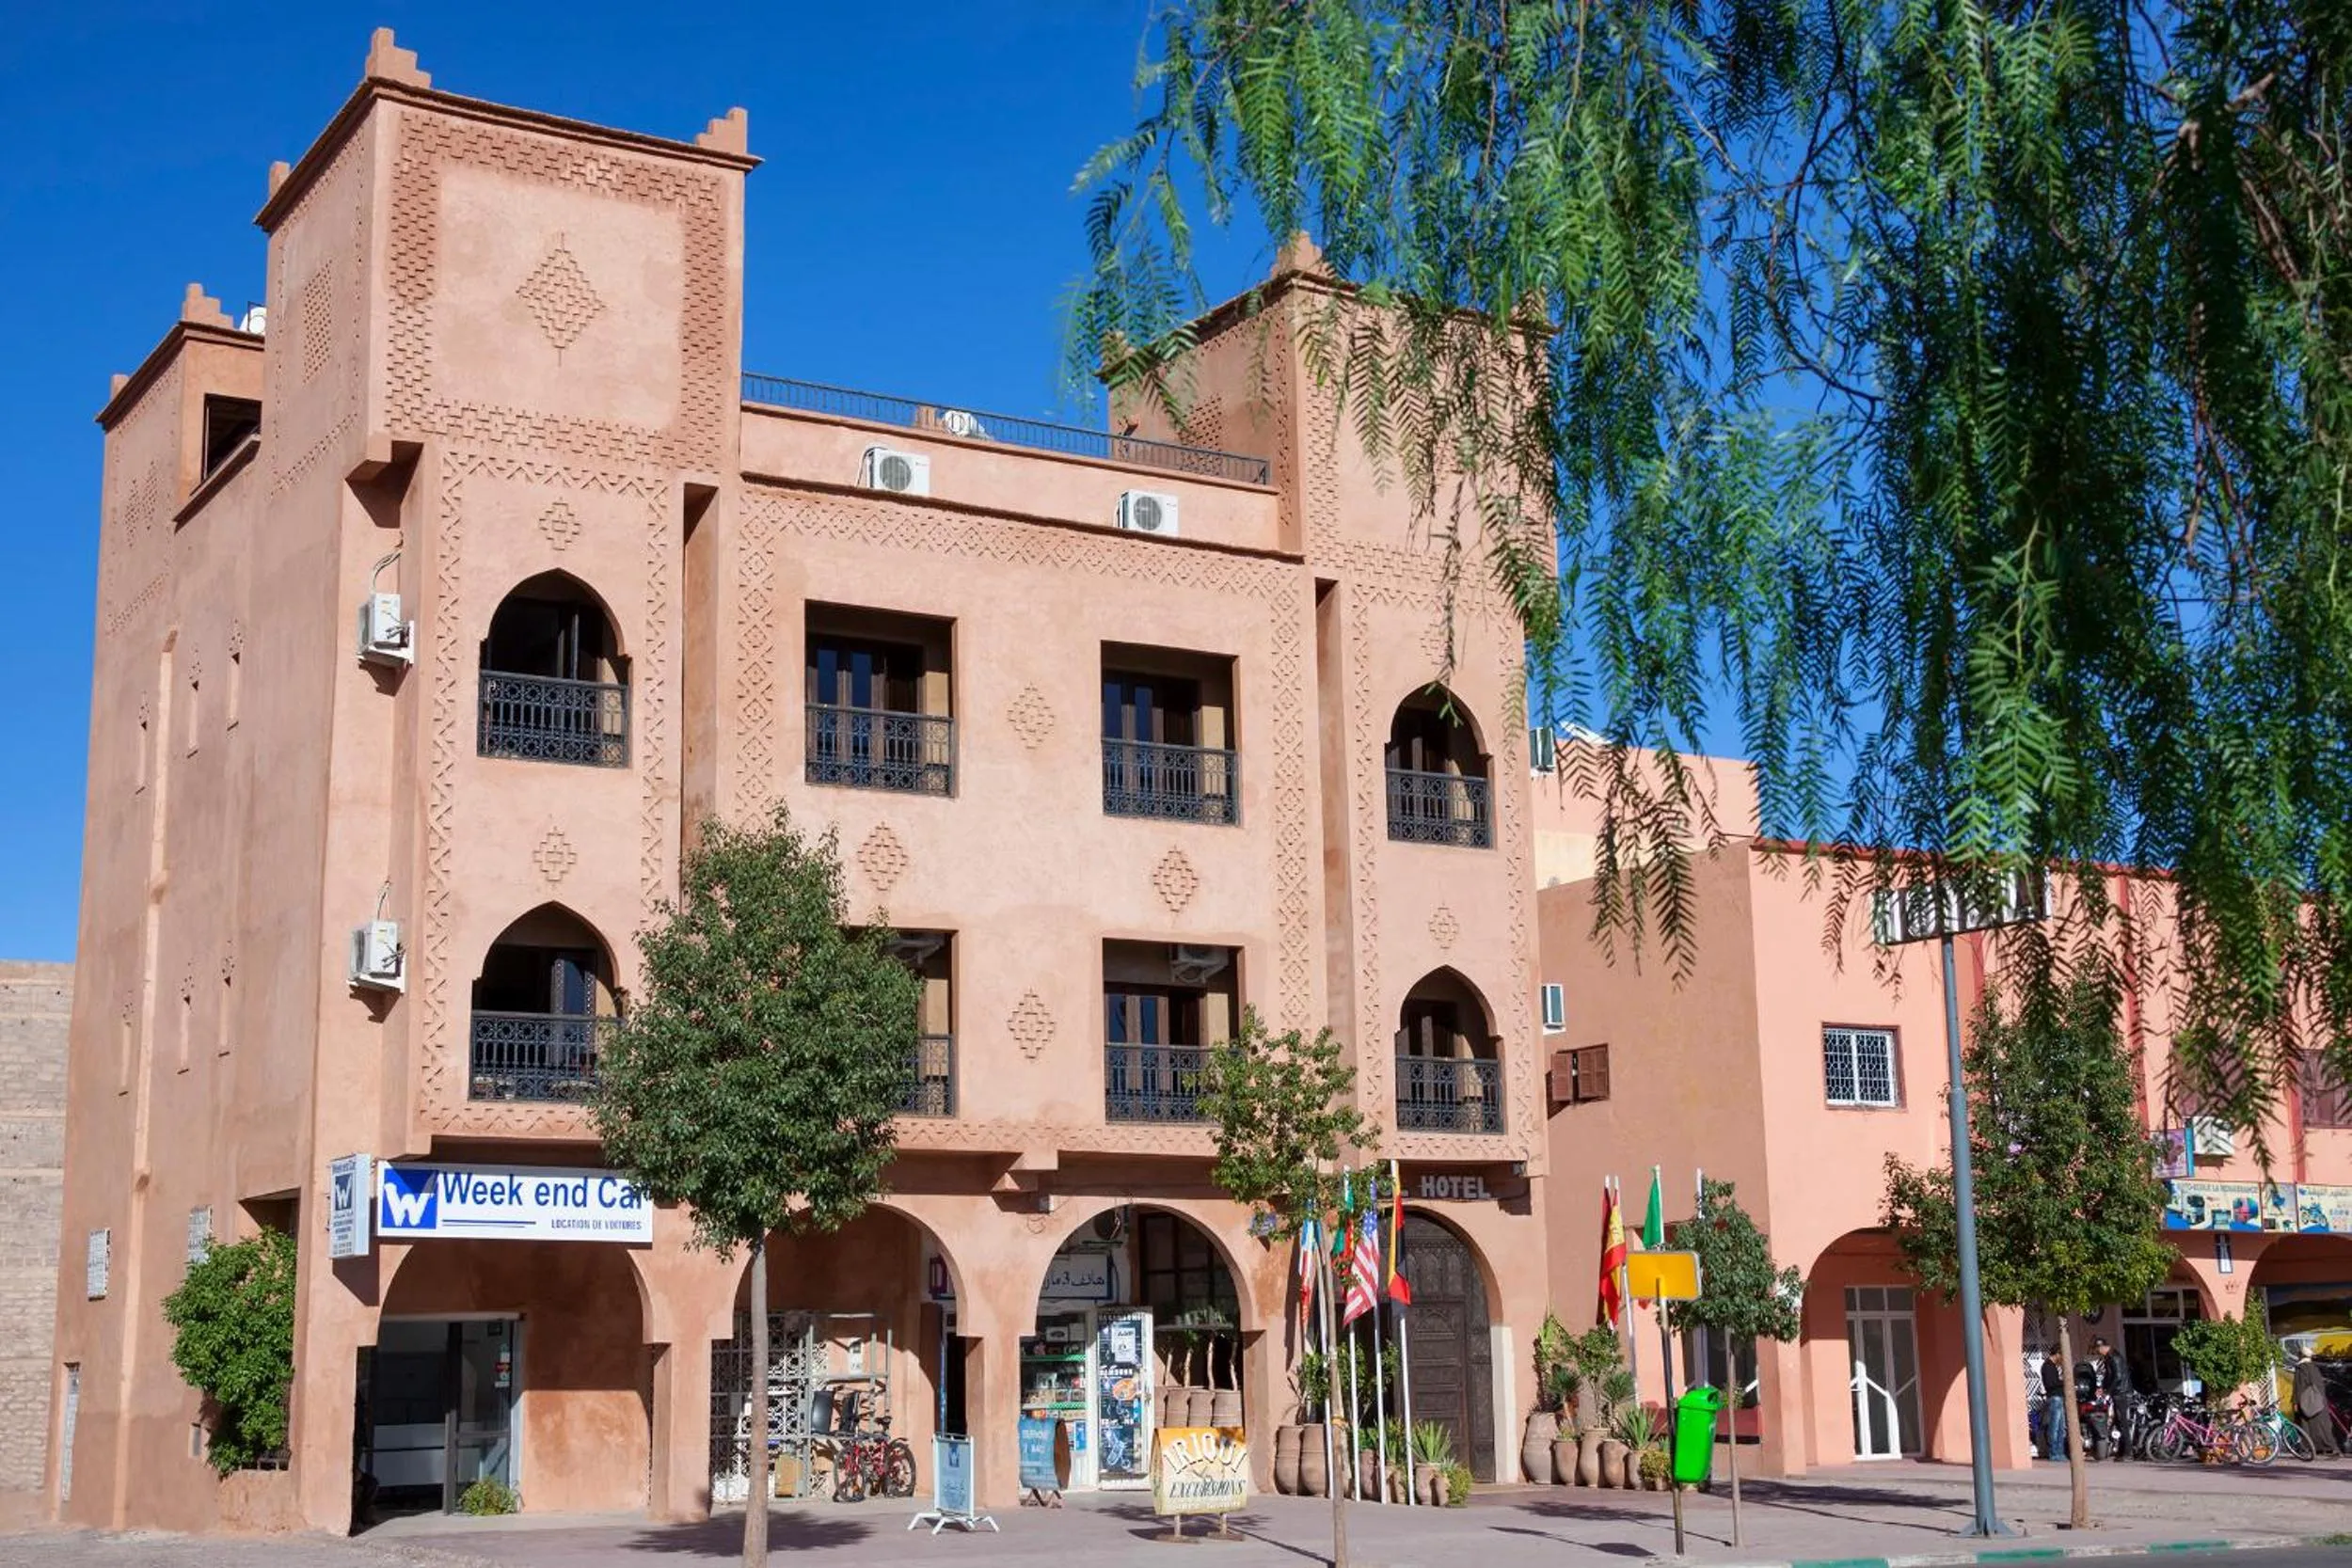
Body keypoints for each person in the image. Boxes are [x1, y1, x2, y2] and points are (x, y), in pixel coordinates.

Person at [2089, 1336, 2133, 1460]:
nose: (2098, 1353)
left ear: (2101, 1347)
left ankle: (2128, 1452)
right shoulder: (2109, 1358)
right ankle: (2122, 1451)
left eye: (2097, 1350)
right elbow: (2109, 1376)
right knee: (2118, 1422)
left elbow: (2117, 1377)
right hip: (2117, 1393)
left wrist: (2108, 1391)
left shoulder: (2114, 1357)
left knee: (2122, 1422)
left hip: (2122, 1393)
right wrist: (2102, 1388)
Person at [2293, 1350, 2342, 1457]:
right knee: (2322, 1426)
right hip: (2319, 1402)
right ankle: (2328, 1447)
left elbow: (2298, 1386)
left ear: (2301, 1355)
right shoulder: (2315, 1368)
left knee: (2306, 1426)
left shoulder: (2301, 1368)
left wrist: (2296, 1402)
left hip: (2305, 1403)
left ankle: (2309, 1448)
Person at [2075, 1345, 2118, 1460]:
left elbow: (2114, 1377)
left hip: (2105, 1396)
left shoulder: (2113, 1360)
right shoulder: (2110, 1360)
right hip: (2101, 1396)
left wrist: (2106, 1391)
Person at [2037, 1345, 2070, 1459]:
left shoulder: (2053, 1366)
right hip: (2054, 1398)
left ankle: (2060, 1452)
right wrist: (2064, 1382)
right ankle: (2054, 1452)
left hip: (2058, 1397)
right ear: (2057, 1354)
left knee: (2061, 1428)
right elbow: (2051, 1383)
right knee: (2054, 1427)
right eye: (2061, 1355)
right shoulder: (2048, 1366)